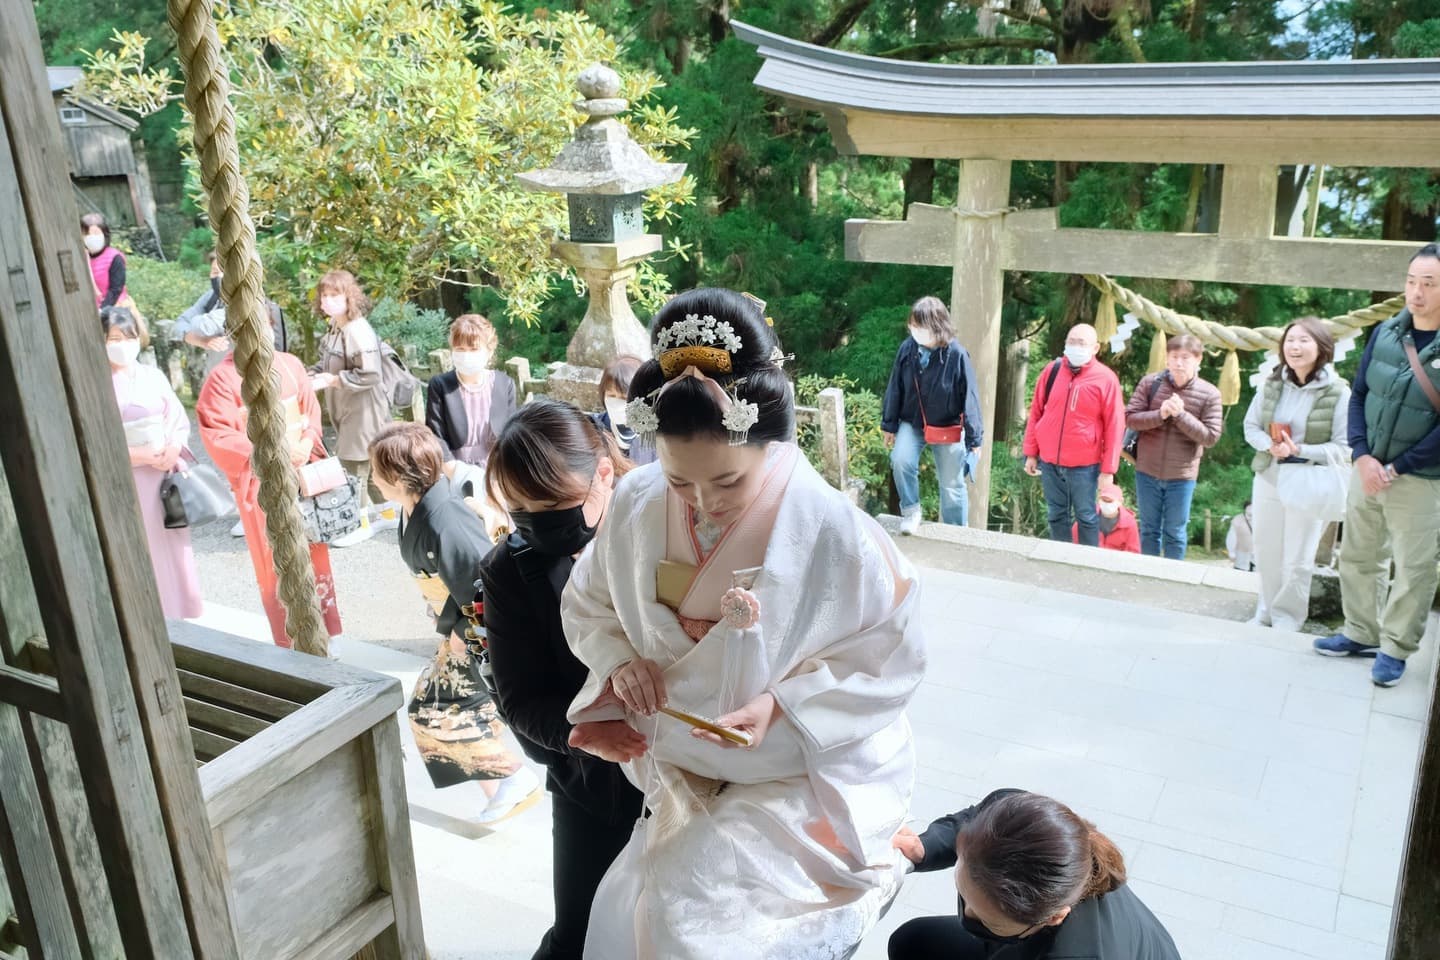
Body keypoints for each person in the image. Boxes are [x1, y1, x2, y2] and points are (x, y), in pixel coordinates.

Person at [561, 288, 925, 959]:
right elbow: (588, 604)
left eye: (728, 483)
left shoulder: (832, 529)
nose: (703, 504)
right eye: (681, 481)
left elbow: (890, 654)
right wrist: (620, 663)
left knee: (696, 929)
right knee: (635, 908)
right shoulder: (638, 499)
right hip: (680, 753)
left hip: (791, 766)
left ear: (772, 445)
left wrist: (781, 703)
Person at [479, 400, 645, 959]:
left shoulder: (658, 528)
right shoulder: (510, 570)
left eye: (554, 504)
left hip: (690, 777)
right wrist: (581, 736)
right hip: (592, 786)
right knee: (579, 934)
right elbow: (519, 698)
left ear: (604, 472)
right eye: (521, 507)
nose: (535, 520)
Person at [367, 423, 540, 822]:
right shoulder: (417, 509)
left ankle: (513, 779)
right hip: (457, 624)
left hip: (479, 631)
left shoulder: (445, 519)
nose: (372, 479)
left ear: (396, 476)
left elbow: (485, 585)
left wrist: (464, 635)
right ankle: (503, 788)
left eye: (376, 471)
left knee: (434, 710)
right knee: (448, 709)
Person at [1317, 244, 1440, 687]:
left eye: (1429, 284)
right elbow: (1361, 395)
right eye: (1411, 281)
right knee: (1359, 553)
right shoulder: (1386, 331)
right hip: (1367, 467)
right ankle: (1360, 630)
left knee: (1414, 566)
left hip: (1422, 478)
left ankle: (1395, 647)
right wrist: (1361, 454)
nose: (1417, 292)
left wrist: (1399, 465)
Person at [196, 303, 344, 647]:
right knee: (276, 559)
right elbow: (219, 434)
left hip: (303, 474)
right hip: (263, 481)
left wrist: (307, 442)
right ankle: (292, 637)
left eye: (263, 324)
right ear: (233, 332)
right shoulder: (223, 379)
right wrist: (273, 452)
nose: (260, 332)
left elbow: (310, 411)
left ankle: (326, 635)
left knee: (314, 552)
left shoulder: (290, 365)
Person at [888, 789, 1180, 959]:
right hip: (1031, 940)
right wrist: (924, 848)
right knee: (913, 941)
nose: (968, 916)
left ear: (1054, 916)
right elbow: (971, 822)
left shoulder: (1077, 954)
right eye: (964, 897)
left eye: (988, 921)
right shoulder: (1013, 818)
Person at [1242, 317, 1350, 634]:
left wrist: (1299, 450)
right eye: (1290, 340)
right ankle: (1265, 610)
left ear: (1321, 348)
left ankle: (1288, 617)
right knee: (1266, 548)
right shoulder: (1271, 385)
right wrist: (1269, 445)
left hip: (1309, 482)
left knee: (1297, 556)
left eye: (1304, 340)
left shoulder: (1338, 392)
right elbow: (1250, 427)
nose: (1295, 347)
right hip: (1269, 477)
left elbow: (1344, 447)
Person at [105, 306, 203, 620]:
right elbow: (97, 435)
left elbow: (175, 418)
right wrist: (139, 456)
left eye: (129, 336)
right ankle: (147, 616)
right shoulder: (96, 383)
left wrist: (174, 447)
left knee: (172, 545)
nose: (123, 344)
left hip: (163, 475)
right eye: (114, 338)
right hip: (126, 477)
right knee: (140, 546)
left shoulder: (151, 374)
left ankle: (180, 613)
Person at [882, 296, 983, 532]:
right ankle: (911, 511)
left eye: (919, 326)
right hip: (911, 420)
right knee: (900, 460)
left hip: (947, 424)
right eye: (913, 325)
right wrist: (889, 424)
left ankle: (956, 529)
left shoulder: (956, 354)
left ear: (937, 326)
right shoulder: (907, 349)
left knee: (952, 483)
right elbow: (895, 385)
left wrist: (974, 438)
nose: (913, 330)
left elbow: (971, 397)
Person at [311, 269, 393, 546]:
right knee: (368, 463)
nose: (328, 300)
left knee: (353, 463)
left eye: (335, 295)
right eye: (325, 295)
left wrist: (333, 380)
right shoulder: (337, 326)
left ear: (349, 297)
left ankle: (356, 524)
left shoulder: (357, 329)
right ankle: (386, 514)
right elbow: (327, 365)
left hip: (364, 408)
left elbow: (370, 374)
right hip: (348, 406)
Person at [1023, 324, 1124, 546]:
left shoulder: (1106, 379)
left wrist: (1108, 470)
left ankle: (1087, 564)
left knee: (1086, 517)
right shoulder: (1053, 370)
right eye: (1071, 341)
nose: (1075, 346)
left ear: (1095, 347)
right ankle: (1060, 560)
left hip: (1084, 465)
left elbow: (1115, 427)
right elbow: (1036, 412)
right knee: (1056, 515)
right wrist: (1031, 453)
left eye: (1082, 343)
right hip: (1049, 461)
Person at [1124, 334, 1223, 559]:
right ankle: (1146, 576)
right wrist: (1160, 414)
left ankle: (1174, 578)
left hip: (1182, 475)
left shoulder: (1210, 394)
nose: (1179, 363)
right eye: (1174, 356)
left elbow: (1210, 437)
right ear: (1166, 358)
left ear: (1198, 360)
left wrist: (1180, 415)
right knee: (1149, 530)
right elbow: (1130, 418)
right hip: (1147, 470)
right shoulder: (1150, 384)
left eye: (1185, 358)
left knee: (1175, 532)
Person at [425, 313, 517, 470]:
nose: (466, 355)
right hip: (454, 469)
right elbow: (435, 435)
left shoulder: (504, 384)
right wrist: (454, 473)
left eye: (474, 349)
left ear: (490, 351)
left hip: (496, 470)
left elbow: (512, 432)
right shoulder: (440, 385)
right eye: (460, 349)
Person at [592, 354, 655, 466]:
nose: (617, 404)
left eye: (624, 398)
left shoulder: (658, 437)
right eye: (611, 395)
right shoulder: (592, 429)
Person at [1073, 481, 1139, 553]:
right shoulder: (1088, 515)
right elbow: (1074, 539)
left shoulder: (1129, 522)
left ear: (1120, 502)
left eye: (1110, 501)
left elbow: (1133, 551)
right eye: (1104, 500)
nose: (1106, 504)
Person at [1226, 501, 1255, 571]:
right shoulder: (1237, 520)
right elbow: (1231, 537)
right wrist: (1231, 552)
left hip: (1255, 558)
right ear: (1245, 508)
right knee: (1240, 576)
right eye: (1249, 507)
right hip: (1241, 556)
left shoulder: (1261, 519)